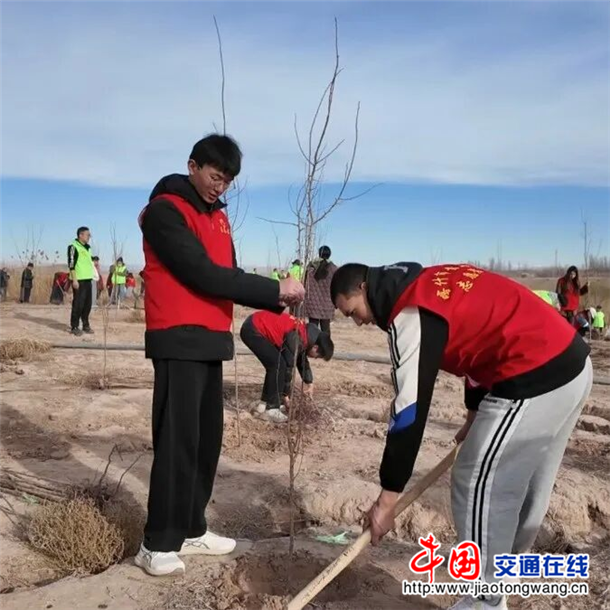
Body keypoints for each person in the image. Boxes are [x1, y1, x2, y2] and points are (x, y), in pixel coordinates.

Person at [331, 262, 591, 610]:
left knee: (476, 478)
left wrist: (388, 499)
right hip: (571, 363)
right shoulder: (427, 282)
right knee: (529, 483)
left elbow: (408, 412)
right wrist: (473, 414)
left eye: (353, 312)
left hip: (534, 372)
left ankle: (485, 599)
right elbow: (478, 342)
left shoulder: (409, 312)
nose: (358, 322)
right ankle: (505, 573)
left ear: (364, 289)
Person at [135, 134, 304, 577]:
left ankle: (192, 529)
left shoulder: (219, 219)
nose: (220, 186)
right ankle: (157, 543)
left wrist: (276, 298)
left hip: (211, 340)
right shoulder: (165, 211)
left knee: (206, 441)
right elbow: (202, 274)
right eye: (215, 176)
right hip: (178, 338)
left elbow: (229, 274)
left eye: (228, 180)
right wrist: (274, 289)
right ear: (193, 166)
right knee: (177, 441)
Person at [240, 311, 334, 423]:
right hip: (253, 329)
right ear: (315, 347)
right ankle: (271, 409)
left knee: (277, 364)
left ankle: (264, 404)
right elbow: (288, 367)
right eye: (317, 356)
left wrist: (309, 382)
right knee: (278, 365)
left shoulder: (305, 335)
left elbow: (301, 360)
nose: (315, 358)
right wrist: (285, 396)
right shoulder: (297, 337)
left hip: (254, 325)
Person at [67, 227, 95, 336]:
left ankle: (85, 325)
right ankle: (74, 326)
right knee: (78, 304)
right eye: (88, 234)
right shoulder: (73, 247)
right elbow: (71, 264)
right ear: (81, 235)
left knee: (87, 304)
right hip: (79, 280)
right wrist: (74, 280)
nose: (89, 237)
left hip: (88, 279)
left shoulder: (88, 248)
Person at [305, 245, 338, 335]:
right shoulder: (334, 269)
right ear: (329, 254)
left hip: (312, 304)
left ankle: (311, 344)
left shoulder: (310, 268)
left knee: (312, 330)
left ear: (319, 254)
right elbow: (336, 287)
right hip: (327, 304)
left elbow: (305, 284)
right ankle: (325, 344)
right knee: (325, 330)